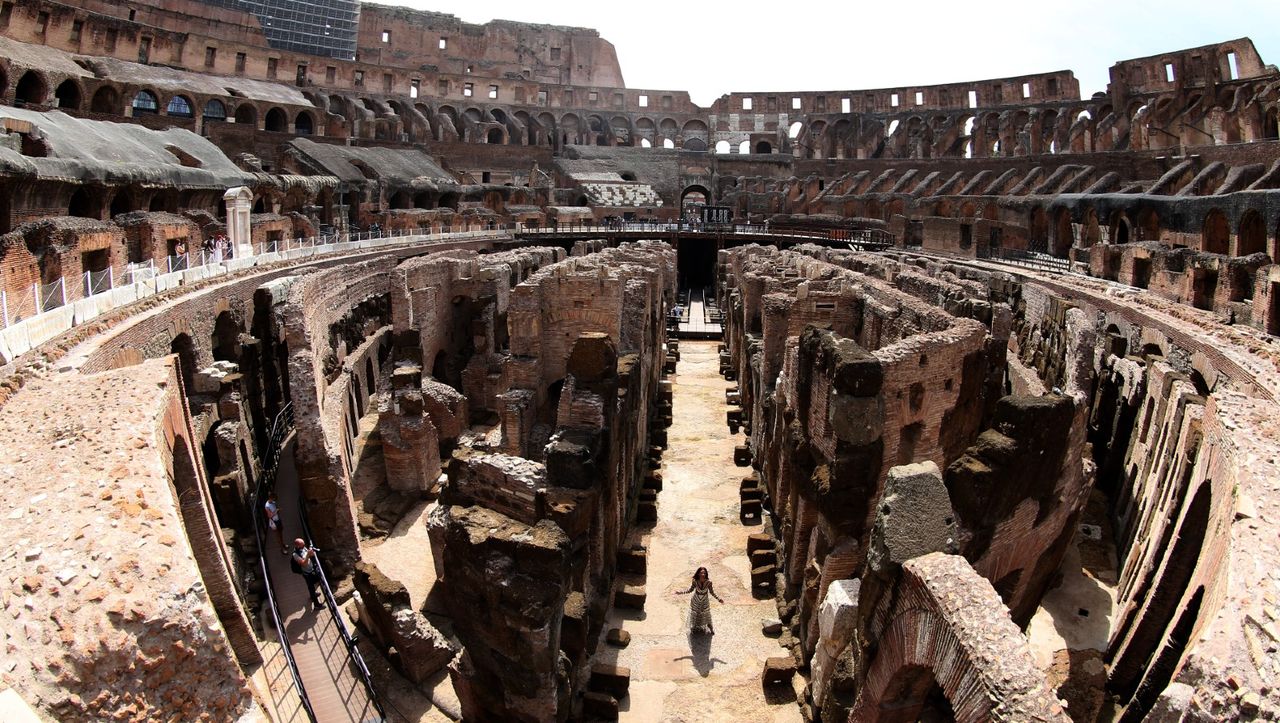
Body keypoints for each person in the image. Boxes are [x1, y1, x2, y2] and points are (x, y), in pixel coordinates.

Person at [675, 566, 723, 634]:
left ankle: (711, 629)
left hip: (705, 601)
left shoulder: (709, 582)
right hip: (695, 601)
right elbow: (690, 590)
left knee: (706, 614)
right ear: (698, 574)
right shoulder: (695, 581)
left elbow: (712, 592)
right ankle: (694, 628)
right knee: (695, 614)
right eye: (701, 573)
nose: (703, 574)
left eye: (704, 573)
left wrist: (718, 599)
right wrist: (680, 592)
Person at [290, 538, 323, 609]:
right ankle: (316, 605)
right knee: (311, 587)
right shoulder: (295, 555)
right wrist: (308, 554)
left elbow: (308, 554)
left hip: (311, 570)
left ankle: (313, 595)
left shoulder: (303, 548)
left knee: (313, 584)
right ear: (298, 546)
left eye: (304, 544)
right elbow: (303, 564)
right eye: (302, 545)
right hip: (307, 573)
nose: (304, 546)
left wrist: (311, 552)